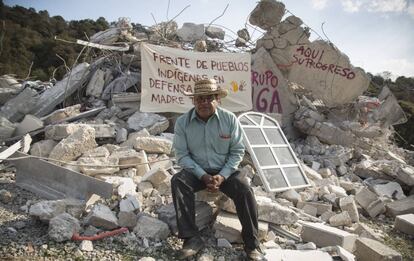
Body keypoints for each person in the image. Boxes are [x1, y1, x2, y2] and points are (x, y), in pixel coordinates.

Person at [171, 79, 265, 260]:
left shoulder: (229, 119)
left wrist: (222, 176)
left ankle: (252, 245)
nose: (204, 103)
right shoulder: (183, 122)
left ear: (217, 99)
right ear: (194, 101)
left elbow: (237, 151)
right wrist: (202, 175)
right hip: (197, 171)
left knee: (244, 188)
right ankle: (191, 238)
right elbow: (181, 155)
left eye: (209, 98)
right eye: (200, 99)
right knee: (178, 181)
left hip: (225, 171)